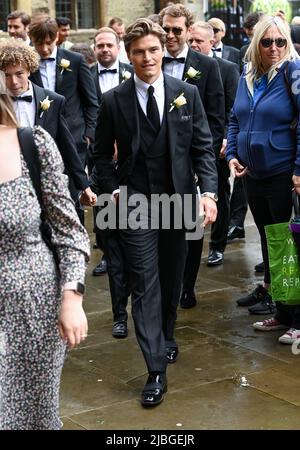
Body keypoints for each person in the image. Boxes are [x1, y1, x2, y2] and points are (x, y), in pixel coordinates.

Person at [92, 18, 218, 406]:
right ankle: (155, 370)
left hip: (179, 203)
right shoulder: (115, 100)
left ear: (162, 50)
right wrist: (110, 190)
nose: (146, 58)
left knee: (170, 280)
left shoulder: (186, 94)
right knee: (144, 283)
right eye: (138, 53)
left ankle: (166, 334)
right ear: (129, 58)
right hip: (134, 206)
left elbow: (201, 148)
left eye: (152, 50)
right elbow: (99, 154)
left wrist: (209, 192)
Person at [0, 72, 90, 429]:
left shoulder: (31, 145)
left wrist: (72, 299)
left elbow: (70, 232)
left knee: (33, 416)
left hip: (34, 311)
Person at [226, 15, 300, 342]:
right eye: (267, 42)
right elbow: (234, 119)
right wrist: (231, 156)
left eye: (280, 41)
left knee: (286, 246)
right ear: (256, 43)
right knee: (272, 245)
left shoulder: (293, 72)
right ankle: (282, 312)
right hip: (251, 174)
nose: (273, 48)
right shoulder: (248, 75)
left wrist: (298, 169)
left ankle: (296, 318)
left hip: (282, 172)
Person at [159, 3, 224, 274]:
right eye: (166, 30)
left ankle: (187, 283)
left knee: (192, 225)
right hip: (157, 158)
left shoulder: (207, 66)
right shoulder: (150, 59)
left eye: (177, 30)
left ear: (188, 31)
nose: (171, 35)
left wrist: (200, 163)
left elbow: (215, 119)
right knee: (161, 225)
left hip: (191, 161)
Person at [0, 40, 96, 206]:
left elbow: (67, 146)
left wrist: (84, 186)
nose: (13, 82)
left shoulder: (53, 100)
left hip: (45, 180)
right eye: (7, 75)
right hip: (8, 184)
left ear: (29, 70)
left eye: (19, 74)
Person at [28, 17, 99, 223]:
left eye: (48, 43)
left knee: (74, 192)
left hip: (75, 139)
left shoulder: (74, 61)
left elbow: (91, 102)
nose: (44, 49)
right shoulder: (27, 64)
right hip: (40, 140)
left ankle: (75, 233)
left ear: (57, 36)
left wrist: (89, 134)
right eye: (38, 43)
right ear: (31, 40)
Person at [91, 27, 134, 277]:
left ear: (119, 48)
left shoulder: (132, 73)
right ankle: (108, 254)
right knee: (104, 206)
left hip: (128, 151)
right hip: (101, 151)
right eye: (100, 45)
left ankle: (130, 249)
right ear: (94, 49)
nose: (105, 49)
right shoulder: (84, 74)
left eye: (109, 45)